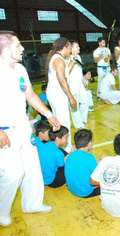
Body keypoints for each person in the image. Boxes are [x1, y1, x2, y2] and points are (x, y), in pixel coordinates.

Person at [0, 30, 60, 227]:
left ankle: (32, 204)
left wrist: (48, 114)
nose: (23, 48)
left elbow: (31, 95)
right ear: (6, 50)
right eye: (18, 45)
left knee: (32, 168)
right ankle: (2, 210)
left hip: (24, 126)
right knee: (13, 173)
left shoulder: (20, 70)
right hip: (5, 130)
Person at [46, 37, 76, 152]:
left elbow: (64, 72)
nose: (71, 50)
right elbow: (62, 81)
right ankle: (66, 150)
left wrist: (72, 62)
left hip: (55, 94)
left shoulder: (57, 59)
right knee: (64, 123)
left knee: (58, 122)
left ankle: (60, 147)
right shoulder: (58, 60)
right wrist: (71, 98)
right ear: (64, 47)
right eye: (69, 47)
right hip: (58, 95)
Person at [65, 129, 100, 198]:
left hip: (72, 189)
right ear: (89, 143)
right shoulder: (90, 157)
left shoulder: (70, 155)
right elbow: (98, 176)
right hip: (86, 192)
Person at [69, 40, 89, 129]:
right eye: (76, 46)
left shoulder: (79, 57)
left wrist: (83, 81)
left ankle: (82, 118)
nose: (79, 48)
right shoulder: (67, 59)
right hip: (72, 85)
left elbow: (80, 71)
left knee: (85, 100)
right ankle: (78, 124)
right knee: (74, 105)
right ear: (71, 48)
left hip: (79, 83)